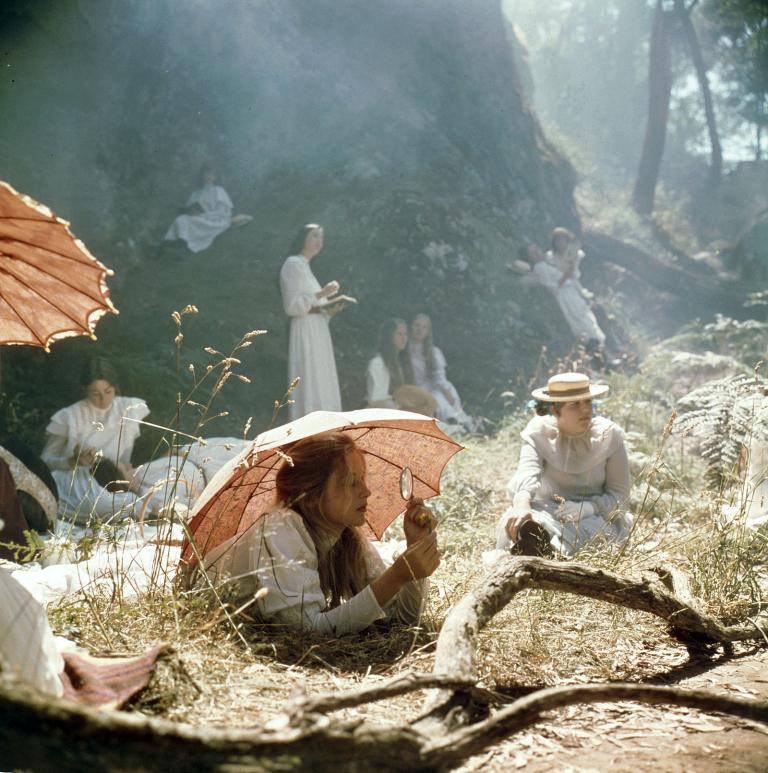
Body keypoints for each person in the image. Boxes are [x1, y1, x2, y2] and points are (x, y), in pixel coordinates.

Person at [201, 432, 440, 636]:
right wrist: (396, 576)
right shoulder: (281, 528)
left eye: (363, 479)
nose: (366, 491)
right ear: (312, 495)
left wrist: (414, 549)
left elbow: (402, 621)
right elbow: (306, 631)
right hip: (201, 601)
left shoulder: (347, 538)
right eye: (350, 481)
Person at [495, 372, 631, 558]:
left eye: (588, 402)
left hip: (594, 515)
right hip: (547, 510)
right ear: (555, 410)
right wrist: (521, 505)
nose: (586, 410)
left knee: (589, 530)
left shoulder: (609, 435)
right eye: (575, 404)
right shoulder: (539, 432)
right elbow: (528, 473)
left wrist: (588, 508)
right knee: (521, 521)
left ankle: (552, 553)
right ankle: (531, 541)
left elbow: (621, 496)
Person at [42, 357, 151, 526]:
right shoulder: (70, 416)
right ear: (84, 390)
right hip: (76, 482)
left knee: (146, 493)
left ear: (115, 387)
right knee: (114, 505)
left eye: (108, 391)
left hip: (114, 480)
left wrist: (124, 479)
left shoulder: (127, 408)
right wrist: (73, 461)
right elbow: (44, 463)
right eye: (96, 393)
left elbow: (124, 462)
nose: (104, 399)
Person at [280, 224, 343, 420]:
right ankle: (309, 426)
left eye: (321, 237)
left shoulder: (306, 267)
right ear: (303, 238)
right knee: (309, 377)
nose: (318, 241)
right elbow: (292, 306)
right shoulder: (293, 263)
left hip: (318, 329)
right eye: (314, 236)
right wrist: (323, 293)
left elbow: (315, 304)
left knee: (322, 377)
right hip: (305, 329)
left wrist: (331, 308)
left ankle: (327, 426)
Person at [528, 231, 606, 350]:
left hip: (573, 291)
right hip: (565, 296)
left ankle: (604, 354)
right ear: (529, 257)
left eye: (537, 249)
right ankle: (598, 354)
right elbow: (552, 286)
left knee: (588, 319)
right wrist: (566, 276)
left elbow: (571, 259)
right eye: (532, 253)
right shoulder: (540, 267)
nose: (537, 253)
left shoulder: (549, 259)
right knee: (580, 322)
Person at [407, 314, 475, 431]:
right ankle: (455, 426)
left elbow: (439, 377)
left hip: (437, 388)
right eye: (416, 326)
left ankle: (461, 424)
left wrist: (446, 392)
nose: (420, 330)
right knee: (434, 400)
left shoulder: (433, 352)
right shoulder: (404, 352)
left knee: (440, 398)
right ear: (410, 327)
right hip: (417, 391)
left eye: (424, 327)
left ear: (428, 331)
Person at [367, 318, 437, 416]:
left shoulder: (402, 362)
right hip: (383, 415)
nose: (404, 338)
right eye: (399, 334)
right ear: (389, 337)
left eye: (405, 334)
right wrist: (407, 411)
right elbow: (376, 401)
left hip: (400, 411)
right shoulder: (378, 363)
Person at [162, 165, 234, 254]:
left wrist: (201, 215)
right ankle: (173, 244)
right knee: (181, 219)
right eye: (206, 174)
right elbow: (189, 208)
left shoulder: (219, 190)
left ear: (216, 177)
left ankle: (183, 246)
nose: (209, 177)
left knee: (189, 221)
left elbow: (221, 213)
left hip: (215, 221)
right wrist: (189, 211)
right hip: (197, 218)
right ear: (202, 175)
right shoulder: (197, 193)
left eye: (212, 174)